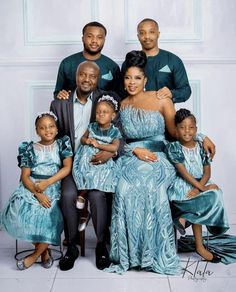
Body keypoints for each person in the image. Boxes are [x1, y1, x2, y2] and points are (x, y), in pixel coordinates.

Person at [106, 50, 181, 275]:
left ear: (145, 80)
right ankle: (129, 256)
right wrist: (134, 149)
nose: (131, 82)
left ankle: (153, 254)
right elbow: (118, 140)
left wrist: (199, 136)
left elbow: (176, 133)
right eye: (128, 77)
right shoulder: (122, 105)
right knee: (124, 187)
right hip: (131, 156)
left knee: (153, 187)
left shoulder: (161, 99)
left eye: (137, 78)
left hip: (159, 157)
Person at [50, 60, 121, 271]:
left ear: (97, 80)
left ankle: (100, 245)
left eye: (92, 76)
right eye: (83, 75)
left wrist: (109, 154)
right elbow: (55, 136)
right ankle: (71, 245)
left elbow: (120, 136)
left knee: (98, 196)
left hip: (97, 164)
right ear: (76, 76)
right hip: (72, 164)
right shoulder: (59, 103)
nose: (87, 79)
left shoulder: (106, 101)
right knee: (68, 195)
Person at [1, 112, 73, 270]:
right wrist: (37, 193)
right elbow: (25, 176)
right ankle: (44, 252)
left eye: (51, 126)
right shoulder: (29, 148)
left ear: (56, 128)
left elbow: (67, 168)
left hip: (52, 184)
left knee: (49, 216)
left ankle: (34, 256)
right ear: (37, 130)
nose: (48, 130)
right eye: (43, 127)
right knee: (18, 213)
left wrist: (47, 183)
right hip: (32, 186)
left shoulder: (62, 144)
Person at [166, 108, 229, 263]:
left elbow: (207, 171)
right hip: (184, 183)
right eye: (182, 127)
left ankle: (184, 219)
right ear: (176, 129)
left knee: (215, 194)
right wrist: (202, 189)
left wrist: (201, 187)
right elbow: (183, 172)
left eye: (191, 127)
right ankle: (198, 244)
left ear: (196, 128)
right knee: (201, 198)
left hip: (201, 182)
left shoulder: (201, 146)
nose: (187, 131)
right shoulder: (174, 147)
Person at [120, 18, 191, 103]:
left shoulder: (173, 60)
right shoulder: (130, 62)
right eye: (142, 33)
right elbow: (121, 92)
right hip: (136, 111)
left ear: (158, 34)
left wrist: (172, 93)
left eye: (151, 32)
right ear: (138, 36)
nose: (147, 36)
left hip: (164, 113)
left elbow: (186, 91)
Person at [73, 95, 122, 211]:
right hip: (87, 157)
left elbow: (115, 147)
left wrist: (98, 145)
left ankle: (83, 195)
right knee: (87, 171)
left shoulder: (114, 131)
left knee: (99, 173)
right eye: (98, 112)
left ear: (113, 115)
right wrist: (87, 140)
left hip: (103, 160)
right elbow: (82, 139)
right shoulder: (92, 127)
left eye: (105, 112)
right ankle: (83, 200)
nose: (101, 114)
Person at [54, 21, 121, 99]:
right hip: (73, 110)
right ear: (83, 38)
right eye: (90, 36)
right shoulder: (67, 63)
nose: (94, 41)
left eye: (99, 37)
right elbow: (57, 93)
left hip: (100, 110)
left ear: (104, 40)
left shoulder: (112, 66)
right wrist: (60, 94)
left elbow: (117, 97)